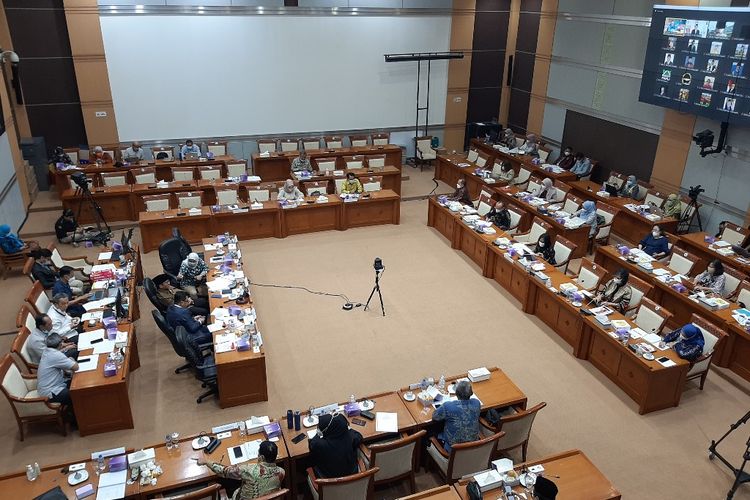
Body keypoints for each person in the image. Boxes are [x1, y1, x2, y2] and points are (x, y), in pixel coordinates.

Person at [197, 440, 284, 499]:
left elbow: (223, 471)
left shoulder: (248, 470)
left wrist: (206, 462)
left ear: (261, 457)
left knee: (227, 483)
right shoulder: (282, 472)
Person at [309, 413, 362, 478]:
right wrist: (348, 429)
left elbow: (312, 442)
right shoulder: (351, 437)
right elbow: (359, 436)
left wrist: (318, 433)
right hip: (353, 478)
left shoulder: (319, 444)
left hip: (329, 482)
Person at [432, 380, 480, 452]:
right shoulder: (476, 403)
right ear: (471, 393)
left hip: (453, 451)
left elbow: (435, 417)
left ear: (456, 393)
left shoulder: (448, 406)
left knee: (431, 431)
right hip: (472, 448)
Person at [37, 333, 79, 406]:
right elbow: (76, 367)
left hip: (52, 386)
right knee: (76, 394)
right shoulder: (56, 355)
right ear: (60, 344)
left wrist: (66, 349)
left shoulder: (46, 351)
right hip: (51, 393)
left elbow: (57, 355)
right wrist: (71, 359)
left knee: (78, 384)